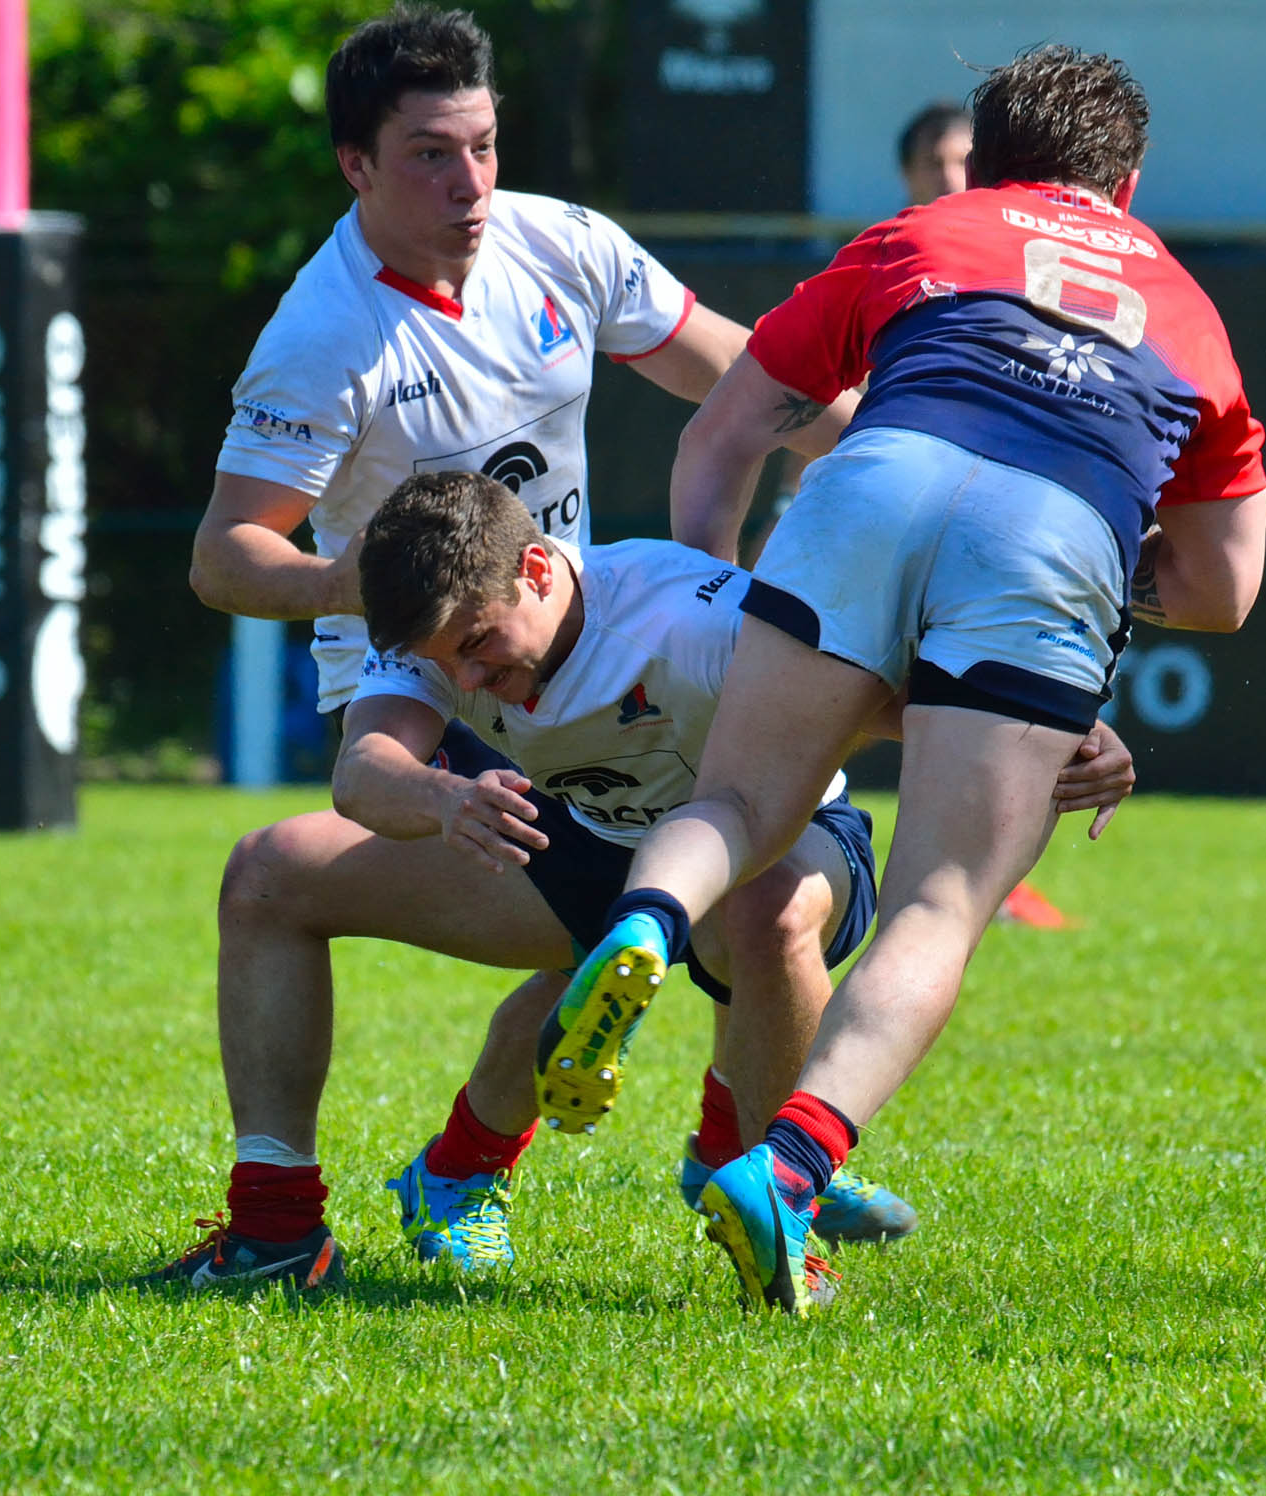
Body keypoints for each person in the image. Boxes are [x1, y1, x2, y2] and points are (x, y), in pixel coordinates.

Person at [539, 45, 1266, 1315]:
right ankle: (788, 1163)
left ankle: (644, 927)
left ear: (979, 162)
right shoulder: (1191, 308)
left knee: (735, 806)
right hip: (1054, 529)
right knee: (938, 897)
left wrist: (715, 602)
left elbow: (728, 429)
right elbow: (1223, 589)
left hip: (875, 476)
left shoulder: (920, 231)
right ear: (1130, 183)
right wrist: (1108, 566)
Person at [168, 5, 855, 1282]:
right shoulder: (326, 338)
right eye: (430, 154)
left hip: (585, 643)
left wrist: (892, 467)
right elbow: (222, 558)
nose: (470, 182)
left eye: (483, 144)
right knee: (340, 883)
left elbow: (745, 379)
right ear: (355, 165)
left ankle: (722, 1159)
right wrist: (403, 606)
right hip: (444, 693)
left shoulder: (560, 244)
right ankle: (310, 1218)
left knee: (684, 911)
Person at [141, 472, 1137, 1289]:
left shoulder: (688, 621)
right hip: (575, 832)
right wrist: (442, 799)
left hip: (781, 838)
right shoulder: (438, 636)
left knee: (768, 911)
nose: (475, 684)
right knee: (269, 870)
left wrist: (1058, 737)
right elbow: (363, 773)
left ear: (539, 567)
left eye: (484, 649)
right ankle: (277, 1234)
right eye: (452, 668)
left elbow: (895, 699)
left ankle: (775, 1214)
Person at [770, 95, 1065, 929]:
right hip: (866, 522)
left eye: (963, 160)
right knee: (838, 706)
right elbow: (804, 398)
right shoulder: (884, 262)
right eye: (935, 162)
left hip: (985, 533)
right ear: (906, 175)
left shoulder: (1021, 269)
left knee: (959, 699)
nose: (951, 175)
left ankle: (977, 873)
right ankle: (782, 836)